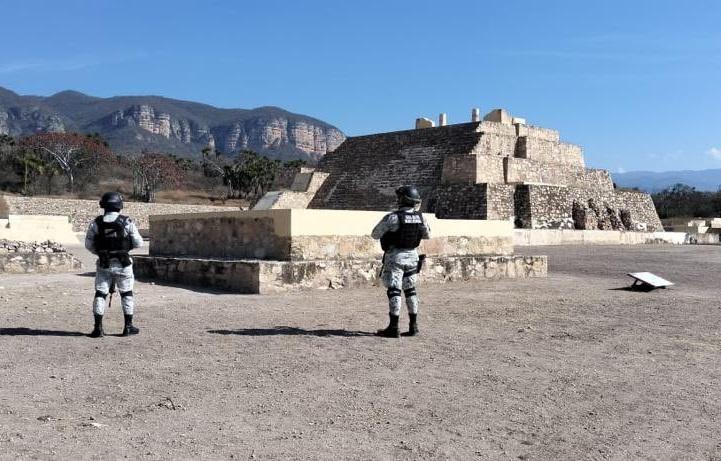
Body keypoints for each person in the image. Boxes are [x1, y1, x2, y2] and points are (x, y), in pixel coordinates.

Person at [371, 185, 431, 338]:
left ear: (403, 199)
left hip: (395, 257)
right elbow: (427, 235)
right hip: (413, 257)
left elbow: (375, 234)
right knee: (411, 291)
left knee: (394, 291)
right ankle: (413, 325)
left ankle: (393, 327)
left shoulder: (393, 217)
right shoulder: (421, 217)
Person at [85, 192, 143, 338]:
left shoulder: (96, 223)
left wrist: (101, 253)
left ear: (103, 205)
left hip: (104, 263)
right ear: (119, 205)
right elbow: (139, 243)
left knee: (100, 293)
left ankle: (98, 328)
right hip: (123, 264)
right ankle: (128, 327)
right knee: (127, 293)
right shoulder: (127, 222)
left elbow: (89, 245)